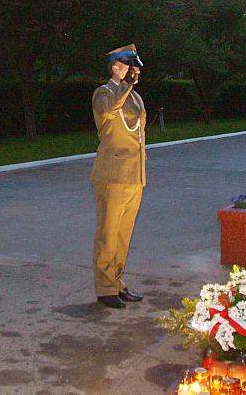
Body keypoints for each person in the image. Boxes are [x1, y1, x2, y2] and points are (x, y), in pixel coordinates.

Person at [90, 44, 147, 309]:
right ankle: (104, 288)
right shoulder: (103, 93)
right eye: (127, 66)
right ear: (115, 67)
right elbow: (109, 110)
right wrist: (125, 85)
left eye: (133, 66)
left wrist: (129, 87)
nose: (132, 71)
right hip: (112, 175)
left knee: (123, 235)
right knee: (108, 234)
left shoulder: (134, 97)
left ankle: (117, 282)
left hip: (134, 175)